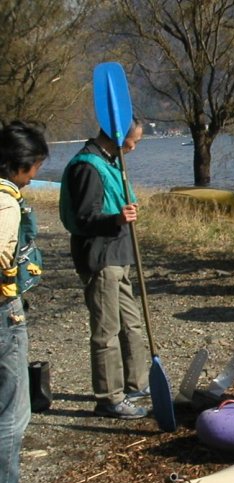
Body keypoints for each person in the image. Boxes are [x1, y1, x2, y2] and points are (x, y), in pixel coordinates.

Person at [59, 119, 150, 419]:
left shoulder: (110, 161)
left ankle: (136, 384)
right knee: (106, 331)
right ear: (118, 135)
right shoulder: (87, 166)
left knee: (132, 323)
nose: (134, 148)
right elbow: (85, 219)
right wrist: (116, 219)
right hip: (100, 258)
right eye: (133, 141)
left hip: (119, 257)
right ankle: (109, 398)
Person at [0, 120, 53, 483]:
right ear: (20, 165)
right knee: (12, 410)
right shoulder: (5, 203)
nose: (36, 175)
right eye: (34, 166)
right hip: (3, 314)